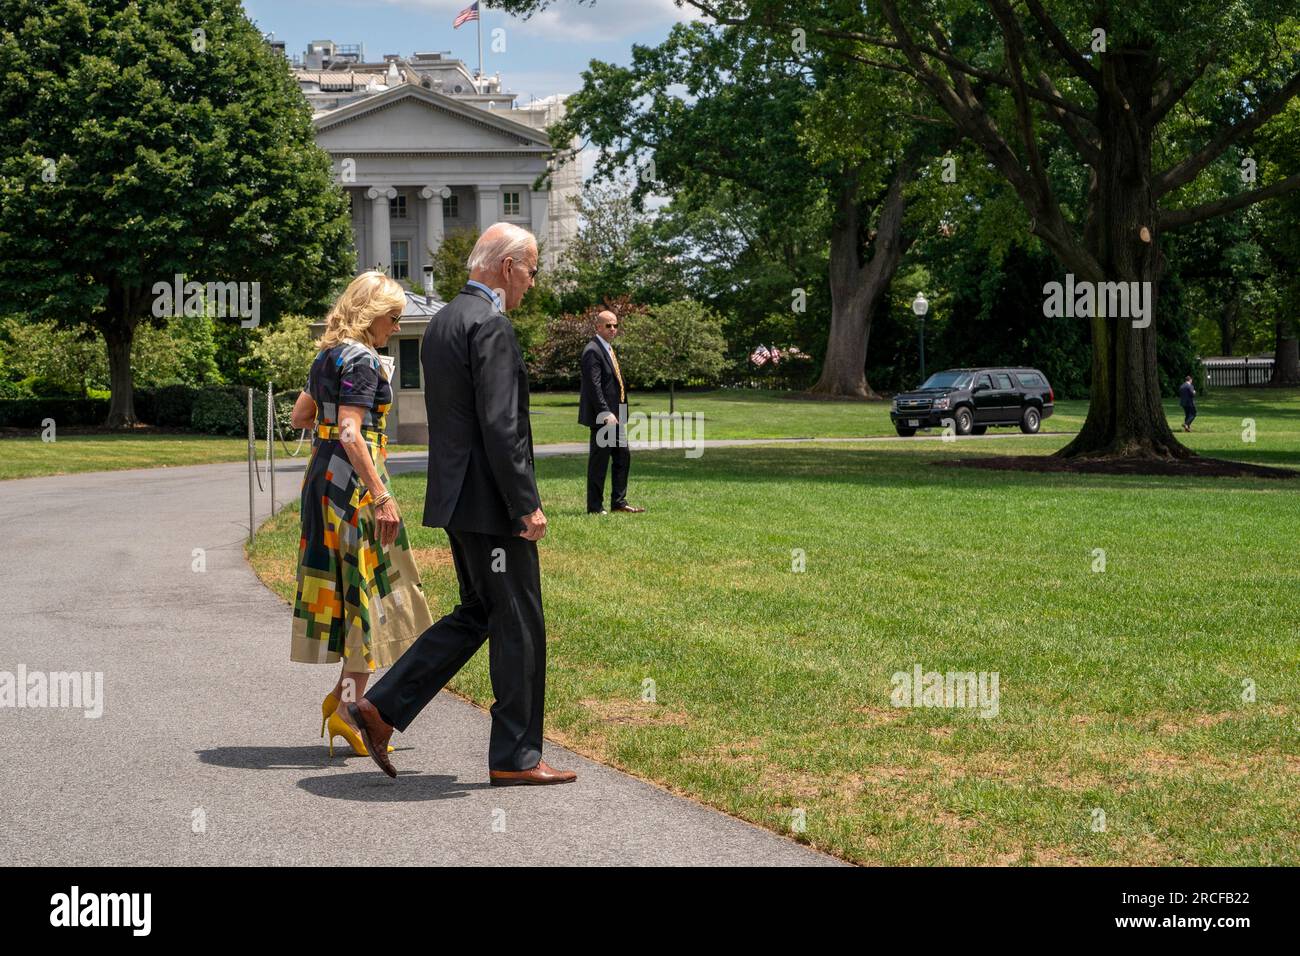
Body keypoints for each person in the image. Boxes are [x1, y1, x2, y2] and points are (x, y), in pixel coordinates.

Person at [349, 223, 577, 786]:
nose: (531, 281)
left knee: (480, 611)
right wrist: (526, 504)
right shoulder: (491, 325)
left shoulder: (444, 322)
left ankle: (383, 707)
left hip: (455, 500)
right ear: (506, 268)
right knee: (520, 622)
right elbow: (501, 426)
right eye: (531, 269)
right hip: (494, 505)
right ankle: (516, 757)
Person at [289, 271, 434, 758]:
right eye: (392, 318)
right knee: (366, 598)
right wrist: (381, 496)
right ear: (372, 315)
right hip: (354, 490)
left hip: (322, 483)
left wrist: (338, 430)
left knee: (357, 595)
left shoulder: (327, 355)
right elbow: (352, 432)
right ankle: (350, 709)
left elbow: (301, 417)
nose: (395, 327)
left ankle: (343, 699)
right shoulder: (364, 359)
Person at [578, 309, 644, 515]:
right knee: (599, 461)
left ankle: (619, 503)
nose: (613, 329)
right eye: (608, 325)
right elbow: (593, 386)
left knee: (622, 457)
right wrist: (605, 412)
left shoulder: (607, 349)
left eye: (615, 325)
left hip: (618, 416)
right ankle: (595, 507)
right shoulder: (592, 350)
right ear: (598, 327)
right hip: (604, 418)